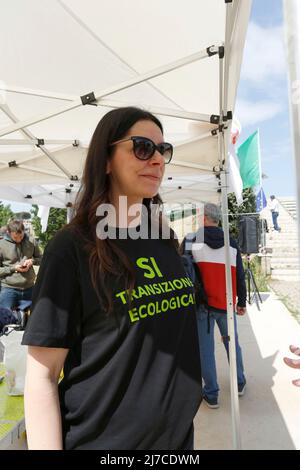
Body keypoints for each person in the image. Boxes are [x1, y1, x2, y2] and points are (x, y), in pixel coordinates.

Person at [22, 107, 202, 450]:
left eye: (163, 151)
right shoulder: (72, 248)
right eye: (142, 147)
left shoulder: (163, 238)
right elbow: (42, 376)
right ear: (105, 160)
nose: (158, 161)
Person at [189, 203, 247, 409]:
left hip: (202, 304)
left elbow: (183, 271)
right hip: (226, 302)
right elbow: (239, 275)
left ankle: (211, 394)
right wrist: (242, 301)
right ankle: (239, 383)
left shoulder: (191, 240)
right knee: (232, 343)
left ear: (204, 217)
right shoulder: (230, 242)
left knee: (205, 349)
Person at [0, 220, 42, 309]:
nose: (19, 240)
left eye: (21, 236)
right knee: (5, 319)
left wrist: (32, 261)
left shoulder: (32, 241)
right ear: (8, 232)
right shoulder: (1, 244)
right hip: (9, 289)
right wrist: (13, 268)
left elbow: (42, 259)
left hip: (30, 288)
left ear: (24, 231)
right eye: (15, 237)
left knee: (32, 320)